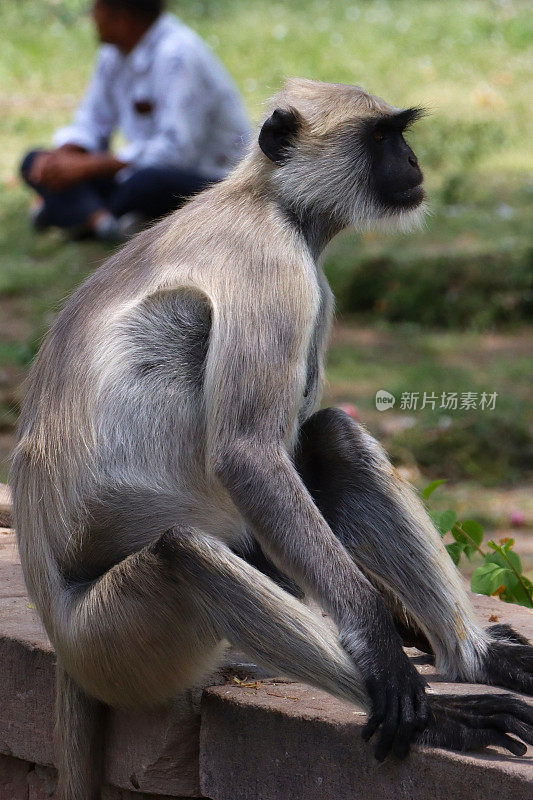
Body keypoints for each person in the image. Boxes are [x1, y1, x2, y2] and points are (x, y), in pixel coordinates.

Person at [20, 0, 250, 242]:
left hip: (208, 178)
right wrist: (63, 157)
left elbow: (176, 153)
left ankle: (72, 210)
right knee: (34, 161)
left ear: (122, 17)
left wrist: (86, 167)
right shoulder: (113, 53)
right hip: (138, 169)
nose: (92, 18)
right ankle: (103, 220)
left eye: (96, 10)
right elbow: (93, 119)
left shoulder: (178, 54)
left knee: (146, 183)